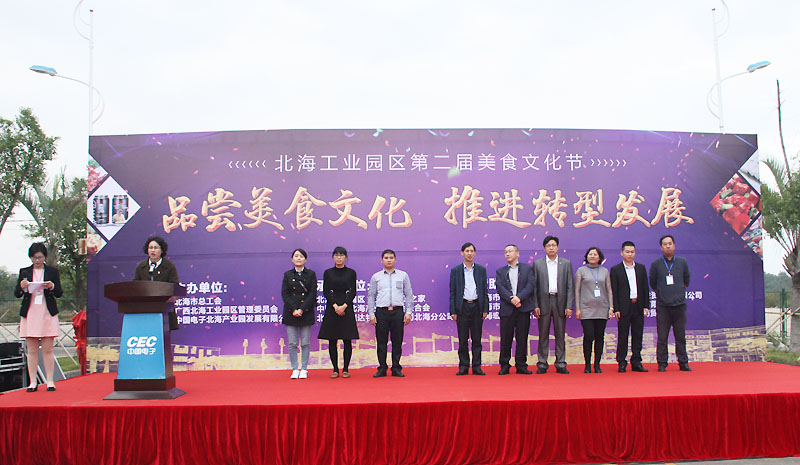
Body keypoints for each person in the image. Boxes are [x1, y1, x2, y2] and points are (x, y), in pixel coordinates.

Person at [14, 243, 63, 392]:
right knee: (32, 349)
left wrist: (51, 286)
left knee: (47, 348)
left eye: (40, 257)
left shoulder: (52, 271)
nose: (37, 260)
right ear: (30, 257)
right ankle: (33, 382)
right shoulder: (24, 271)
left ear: (44, 257)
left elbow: (59, 292)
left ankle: (50, 381)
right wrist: (22, 286)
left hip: (47, 311)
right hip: (30, 312)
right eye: (35, 257)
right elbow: (17, 293)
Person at [367, 249, 413, 378]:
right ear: (381, 260)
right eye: (386, 258)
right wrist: (371, 314)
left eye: (391, 258)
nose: (389, 260)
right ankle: (382, 368)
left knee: (397, 341)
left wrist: (409, 312)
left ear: (395, 260)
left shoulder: (403, 275)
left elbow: (409, 294)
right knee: (381, 342)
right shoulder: (376, 277)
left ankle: (396, 368)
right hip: (381, 312)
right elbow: (371, 296)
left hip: (398, 312)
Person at [649, 235, 691, 372]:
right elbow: (653, 283)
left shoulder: (682, 262)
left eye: (670, 243)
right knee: (662, 337)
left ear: (674, 245)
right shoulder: (656, 264)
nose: (668, 246)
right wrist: (663, 294)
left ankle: (683, 362)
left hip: (679, 306)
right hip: (663, 307)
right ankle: (662, 363)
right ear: (661, 247)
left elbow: (686, 280)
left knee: (680, 336)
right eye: (665, 244)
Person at [533, 236, 574, 374]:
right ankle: (542, 363)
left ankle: (561, 363)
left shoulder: (565, 263)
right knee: (543, 334)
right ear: (544, 248)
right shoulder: (538, 264)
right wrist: (536, 305)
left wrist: (569, 306)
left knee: (560, 334)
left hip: (560, 301)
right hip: (544, 302)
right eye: (548, 245)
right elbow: (534, 287)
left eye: (553, 245)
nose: (551, 248)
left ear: (557, 247)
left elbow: (570, 286)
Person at [318, 246, 359, 378]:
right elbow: (326, 291)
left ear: (346, 257)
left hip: (347, 307)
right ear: (333, 257)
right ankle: (335, 369)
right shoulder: (328, 272)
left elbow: (353, 291)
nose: (339, 257)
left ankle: (346, 369)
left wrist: (344, 306)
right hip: (332, 307)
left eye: (341, 255)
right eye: (336, 255)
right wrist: (335, 306)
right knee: (332, 340)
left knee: (347, 339)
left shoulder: (351, 272)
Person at [609, 241, 650, 373]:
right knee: (623, 336)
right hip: (623, 308)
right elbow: (614, 291)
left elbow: (645, 288)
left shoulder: (641, 268)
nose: (630, 254)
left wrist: (646, 306)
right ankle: (621, 362)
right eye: (627, 252)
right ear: (622, 253)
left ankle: (636, 361)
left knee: (638, 335)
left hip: (638, 306)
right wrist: (616, 309)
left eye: (632, 252)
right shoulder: (616, 270)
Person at [449, 242, 489, 375]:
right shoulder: (456, 271)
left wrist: (485, 308)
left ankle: (477, 366)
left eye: (472, 251)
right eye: (467, 251)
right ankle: (464, 366)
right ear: (462, 253)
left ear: (475, 253)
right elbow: (453, 292)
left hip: (477, 307)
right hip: (462, 307)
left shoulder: (481, 270)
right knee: (463, 339)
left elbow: (484, 291)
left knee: (477, 340)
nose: (469, 253)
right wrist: (453, 310)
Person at [495, 244, 536, 375]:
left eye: (510, 251)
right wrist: (512, 299)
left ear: (517, 253)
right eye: (505, 252)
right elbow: (500, 288)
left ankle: (521, 365)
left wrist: (519, 298)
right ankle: (504, 365)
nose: (507, 254)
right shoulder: (500, 271)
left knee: (522, 338)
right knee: (506, 339)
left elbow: (530, 285)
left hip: (523, 308)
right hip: (507, 309)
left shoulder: (527, 269)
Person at [574, 247, 614, 373]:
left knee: (599, 337)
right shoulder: (581, 270)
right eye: (590, 254)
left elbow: (609, 290)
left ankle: (597, 364)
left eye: (595, 254)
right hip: (586, 309)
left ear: (599, 257)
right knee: (589, 335)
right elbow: (577, 291)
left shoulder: (604, 271)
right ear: (586, 256)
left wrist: (611, 307)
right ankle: (587, 364)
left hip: (602, 308)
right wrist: (578, 308)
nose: (592, 256)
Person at [281, 248, 317, 379]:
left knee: (305, 343)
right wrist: (294, 309)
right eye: (296, 256)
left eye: (301, 256)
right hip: (291, 312)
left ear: (305, 259)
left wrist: (301, 309)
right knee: (292, 343)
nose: (298, 258)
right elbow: (285, 294)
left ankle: (304, 369)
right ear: (292, 259)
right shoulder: (287, 275)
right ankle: (295, 369)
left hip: (306, 312)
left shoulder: (311, 274)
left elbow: (312, 294)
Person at [133, 236, 180, 330]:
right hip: (145, 309)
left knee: (163, 336)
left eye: (156, 248)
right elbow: (135, 286)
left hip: (164, 308)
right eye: (150, 248)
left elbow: (174, 286)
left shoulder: (169, 266)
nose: (153, 250)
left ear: (162, 250)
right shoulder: (141, 267)